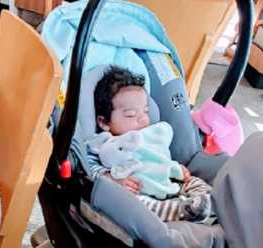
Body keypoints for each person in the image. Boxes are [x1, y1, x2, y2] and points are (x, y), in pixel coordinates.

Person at [84, 66, 213, 223]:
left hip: (167, 181)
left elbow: (160, 157)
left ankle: (203, 203)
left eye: (145, 111)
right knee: (137, 205)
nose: (142, 119)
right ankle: (179, 211)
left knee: (194, 182)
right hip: (140, 191)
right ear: (104, 122)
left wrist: (177, 168)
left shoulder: (152, 134)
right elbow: (89, 166)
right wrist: (111, 178)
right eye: (131, 115)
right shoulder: (105, 144)